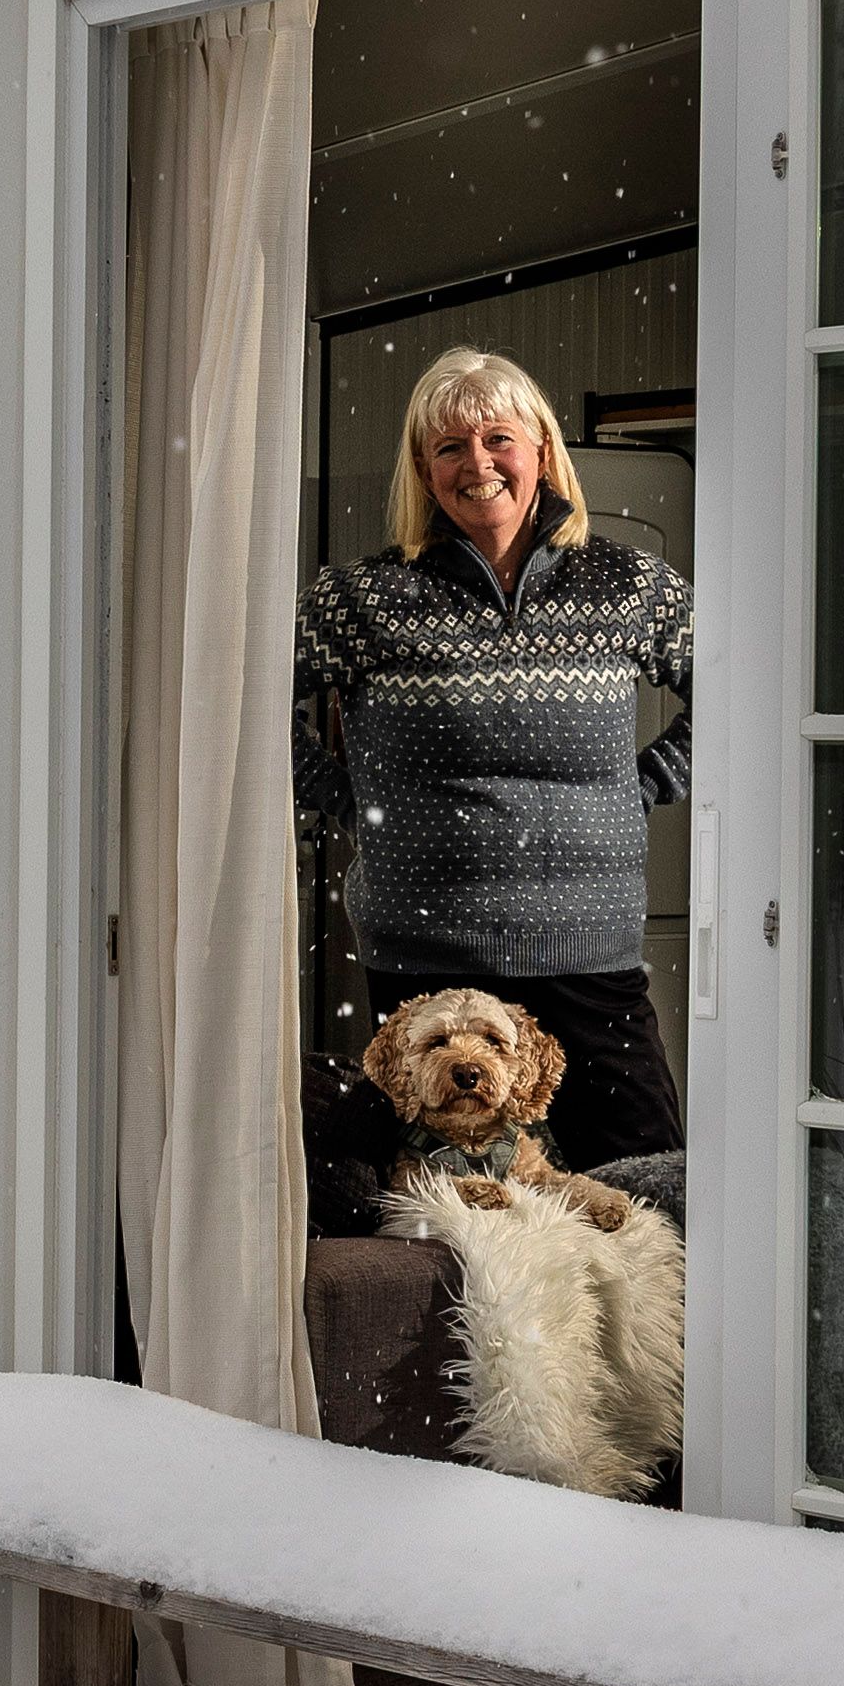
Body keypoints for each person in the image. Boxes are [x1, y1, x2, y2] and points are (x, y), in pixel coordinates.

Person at [296, 346, 697, 1193]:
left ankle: (642, 1332)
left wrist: (643, 788)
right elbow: (246, 711)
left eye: (497, 438)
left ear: (542, 450)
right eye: (448, 447)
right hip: (426, 963)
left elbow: (738, 696)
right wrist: (351, 802)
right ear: (422, 470)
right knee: (450, 1202)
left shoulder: (628, 581)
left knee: (645, 1186)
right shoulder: (361, 599)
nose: (477, 464)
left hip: (590, 955)